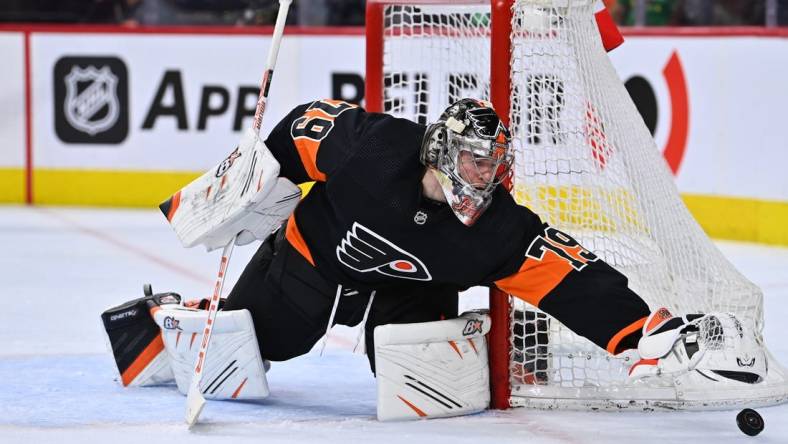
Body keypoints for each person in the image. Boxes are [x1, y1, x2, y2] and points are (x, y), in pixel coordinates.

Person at [221, 98, 652, 373]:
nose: (486, 176)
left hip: (409, 292)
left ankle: (508, 348)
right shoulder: (375, 148)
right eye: (475, 161)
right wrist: (254, 178)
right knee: (258, 345)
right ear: (441, 149)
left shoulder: (496, 225)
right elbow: (306, 124)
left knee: (416, 372)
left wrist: (638, 329)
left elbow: (563, 269)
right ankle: (177, 316)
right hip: (312, 259)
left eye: (494, 165)